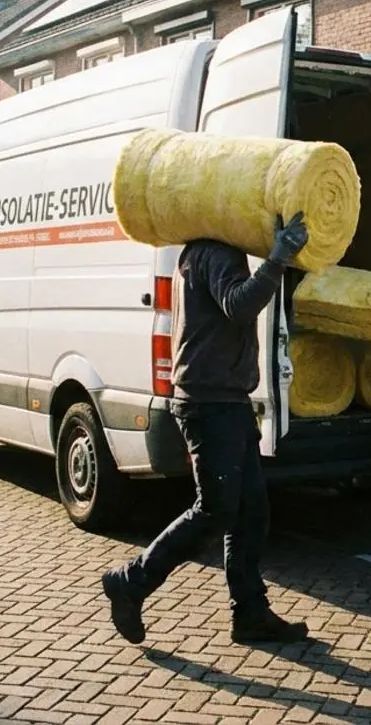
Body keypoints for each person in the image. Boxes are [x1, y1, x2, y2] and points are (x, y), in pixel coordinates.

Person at [101, 212, 313, 645]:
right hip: (210, 401)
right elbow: (239, 305)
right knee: (215, 509)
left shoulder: (201, 251)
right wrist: (276, 259)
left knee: (251, 512)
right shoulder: (217, 253)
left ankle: (250, 613)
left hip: (224, 399)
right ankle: (131, 581)